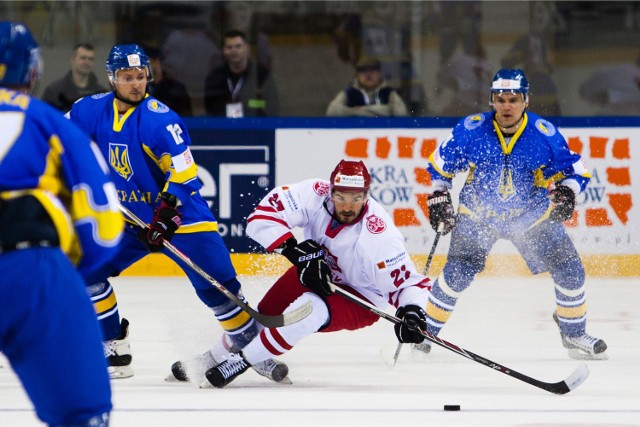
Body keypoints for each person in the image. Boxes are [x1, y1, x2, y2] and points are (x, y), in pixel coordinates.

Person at [67, 43, 278, 381]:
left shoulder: (161, 120)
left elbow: (183, 173)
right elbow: (57, 141)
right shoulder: (87, 110)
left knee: (217, 286)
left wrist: (166, 215)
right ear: (111, 78)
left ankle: (253, 347)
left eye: (141, 76)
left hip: (181, 218)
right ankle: (113, 348)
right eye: (127, 77)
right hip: (128, 218)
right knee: (85, 269)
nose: (136, 83)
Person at [169, 160, 432, 388]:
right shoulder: (313, 194)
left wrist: (412, 312)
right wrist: (294, 251)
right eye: (341, 197)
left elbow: (408, 284)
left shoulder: (379, 236)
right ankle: (211, 358)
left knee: (310, 310)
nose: (349, 206)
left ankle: (241, 362)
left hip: (360, 297)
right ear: (330, 191)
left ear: (367, 195)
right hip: (314, 270)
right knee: (261, 320)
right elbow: (261, 216)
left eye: (357, 198)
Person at [423, 68, 608, 360]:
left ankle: (573, 335)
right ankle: (423, 331)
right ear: (491, 101)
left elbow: (576, 172)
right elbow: (440, 167)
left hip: (530, 217)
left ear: (526, 100)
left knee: (570, 269)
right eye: (500, 99)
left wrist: (568, 192)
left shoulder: (544, 135)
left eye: (513, 99)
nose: (506, 105)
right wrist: (438, 195)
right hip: (477, 215)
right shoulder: (471, 130)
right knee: (456, 272)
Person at [0, 21, 124, 426]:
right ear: (31, 70)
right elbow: (103, 228)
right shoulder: (49, 122)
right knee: (81, 415)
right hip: (31, 270)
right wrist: (68, 278)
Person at [204, 29, 279, 117]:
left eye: (238, 46)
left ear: (247, 48)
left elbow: (272, 106)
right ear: (224, 50)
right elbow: (210, 107)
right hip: (223, 127)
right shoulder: (215, 77)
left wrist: (249, 105)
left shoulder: (261, 75)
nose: (234, 50)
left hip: (255, 126)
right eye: (229, 47)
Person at [326, 57, 409, 117]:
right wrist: (381, 111)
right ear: (357, 76)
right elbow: (332, 111)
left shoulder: (388, 92)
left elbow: (402, 114)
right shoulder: (349, 92)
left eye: (372, 71)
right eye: (364, 72)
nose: (368, 75)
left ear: (380, 74)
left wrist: (358, 110)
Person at [41, 42, 106, 112]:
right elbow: (43, 117)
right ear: (72, 60)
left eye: (90, 59)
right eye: (83, 58)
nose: (87, 62)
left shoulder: (101, 93)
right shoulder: (54, 92)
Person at [146, 47, 193, 117]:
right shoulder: (140, 88)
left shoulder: (176, 88)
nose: (142, 67)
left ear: (156, 62)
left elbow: (185, 116)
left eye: (146, 62)